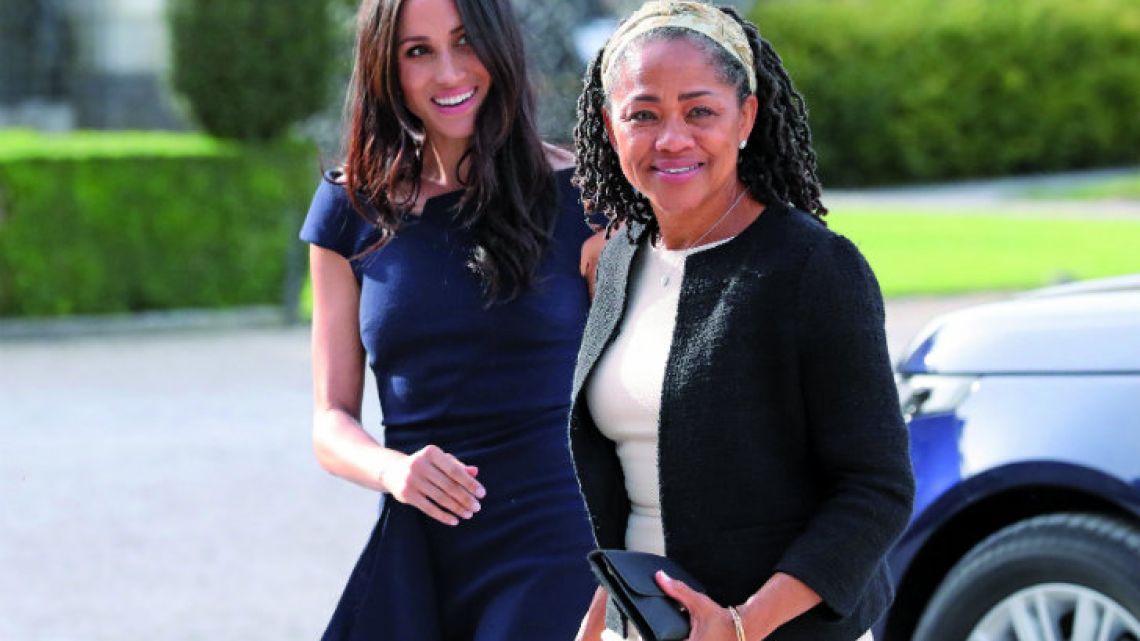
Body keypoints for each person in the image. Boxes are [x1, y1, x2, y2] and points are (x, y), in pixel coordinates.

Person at [569, 2, 916, 640]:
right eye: (643, 114)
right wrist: (602, 618)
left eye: (700, 111)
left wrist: (741, 625)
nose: (671, 138)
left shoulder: (813, 268)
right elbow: (637, 480)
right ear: (610, 126)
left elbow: (876, 490)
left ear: (746, 117)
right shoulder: (618, 259)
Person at [298, 0, 602, 638]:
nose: (448, 72)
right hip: (418, 541)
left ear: (500, 47)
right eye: (418, 51)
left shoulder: (585, 199)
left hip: (556, 543)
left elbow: (638, 393)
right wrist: (395, 470)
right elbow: (331, 423)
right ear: (387, 68)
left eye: (465, 42)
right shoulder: (347, 208)